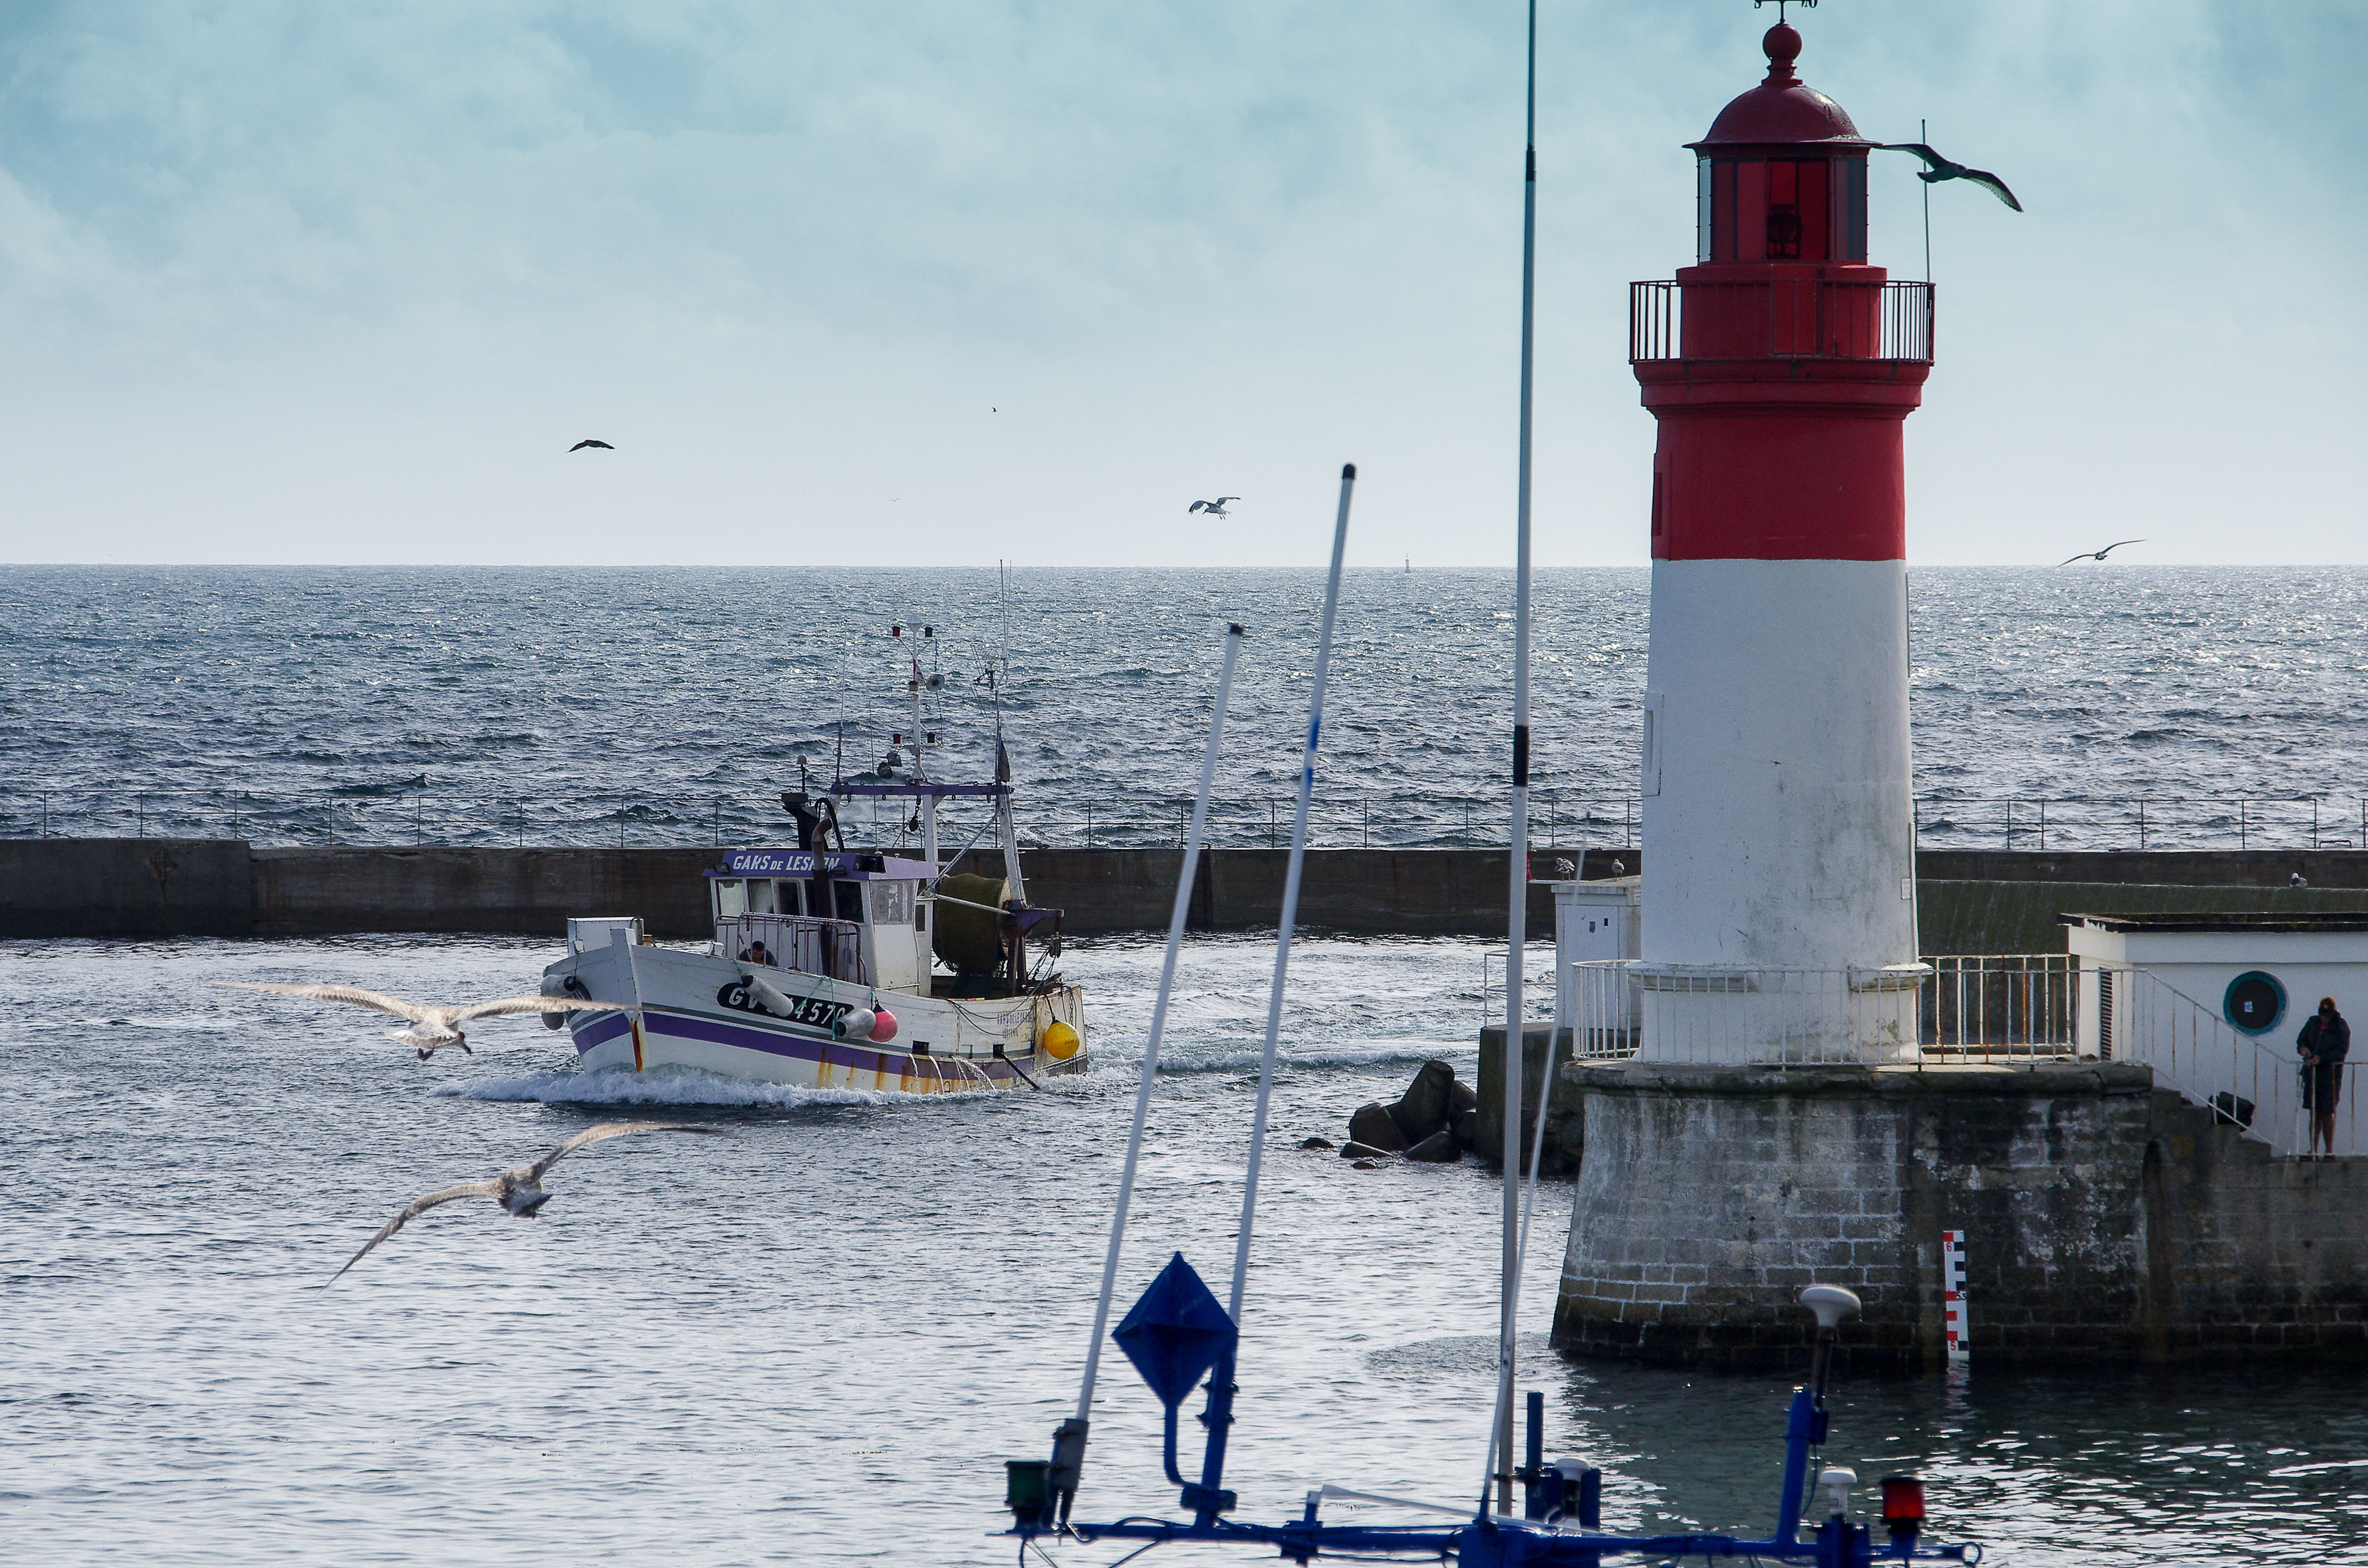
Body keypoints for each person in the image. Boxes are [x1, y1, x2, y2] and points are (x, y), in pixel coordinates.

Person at [2297, 997, 2350, 1159]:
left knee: (2327, 1111)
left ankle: (2329, 1151)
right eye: (2322, 1015)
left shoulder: (2341, 1027)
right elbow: (2301, 1040)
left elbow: (2341, 1051)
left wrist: (2322, 1058)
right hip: (2312, 1074)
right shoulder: (2313, 1023)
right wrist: (2304, 1050)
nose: (2323, 1018)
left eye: (2326, 1016)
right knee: (2314, 1112)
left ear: (2333, 1013)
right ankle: (2313, 1151)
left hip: (2331, 1076)